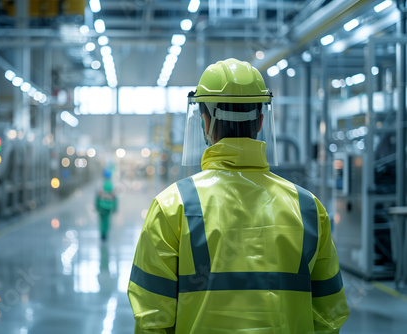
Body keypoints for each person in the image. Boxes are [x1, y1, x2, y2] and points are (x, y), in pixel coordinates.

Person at [127, 58, 349, 333]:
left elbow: (152, 318)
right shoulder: (307, 208)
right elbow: (329, 315)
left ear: (205, 121)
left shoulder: (171, 207)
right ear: (260, 122)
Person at [95, 168, 117, 241]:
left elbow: (97, 197)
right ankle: (106, 234)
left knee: (102, 220)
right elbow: (115, 198)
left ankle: (102, 233)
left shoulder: (101, 185)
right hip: (109, 206)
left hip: (101, 206)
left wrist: (97, 206)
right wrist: (115, 207)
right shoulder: (111, 185)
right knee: (107, 220)